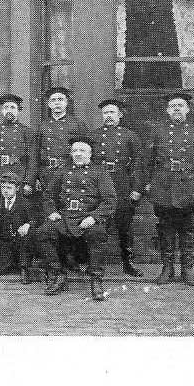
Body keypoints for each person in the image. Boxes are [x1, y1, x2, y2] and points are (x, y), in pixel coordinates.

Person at [35, 136, 116, 301]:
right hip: (65, 217)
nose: (78, 154)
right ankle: (57, 273)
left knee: (97, 234)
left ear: (90, 153)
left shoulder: (100, 171)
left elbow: (110, 200)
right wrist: (51, 212)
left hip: (87, 217)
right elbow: (48, 196)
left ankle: (96, 280)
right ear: (70, 153)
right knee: (44, 232)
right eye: (74, 151)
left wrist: (94, 217)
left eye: (82, 150)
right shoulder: (62, 171)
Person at [145, 92, 194, 286]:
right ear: (167, 110)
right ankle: (167, 267)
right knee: (165, 228)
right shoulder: (158, 131)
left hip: (189, 186)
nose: (176, 108)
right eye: (173, 105)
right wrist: (147, 184)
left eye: (180, 105)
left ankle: (187, 268)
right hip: (163, 186)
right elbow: (147, 161)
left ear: (187, 109)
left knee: (188, 228)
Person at [35, 86, 89, 271]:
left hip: (69, 173)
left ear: (67, 103)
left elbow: (85, 151)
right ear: (48, 104)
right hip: (47, 173)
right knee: (51, 213)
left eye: (60, 100)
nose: (57, 103)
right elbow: (35, 154)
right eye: (53, 100)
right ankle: (53, 258)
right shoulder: (43, 126)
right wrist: (33, 178)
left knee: (70, 213)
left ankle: (71, 256)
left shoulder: (78, 124)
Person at [90, 99, 145, 277]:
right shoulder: (94, 136)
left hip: (122, 183)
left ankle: (128, 263)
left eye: (112, 112)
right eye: (105, 113)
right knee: (98, 225)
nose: (108, 116)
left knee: (125, 226)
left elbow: (138, 164)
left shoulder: (130, 136)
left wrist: (137, 188)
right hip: (99, 184)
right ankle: (96, 264)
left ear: (120, 115)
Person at [0, 172, 40, 283]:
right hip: (5, 242)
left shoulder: (25, 203)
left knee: (26, 238)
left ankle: (24, 267)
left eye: (9, 187)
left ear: (17, 188)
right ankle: (11, 261)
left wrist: (28, 224)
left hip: (20, 241)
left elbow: (35, 219)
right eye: (3, 187)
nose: (5, 191)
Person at [0, 94, 36, 195]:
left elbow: (32, 160)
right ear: (2, 110)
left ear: (19, 110)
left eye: (13, 107)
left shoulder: (27, 132)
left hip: (18, 174)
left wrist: (29, 182)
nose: (9, 110)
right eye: (6, 107)